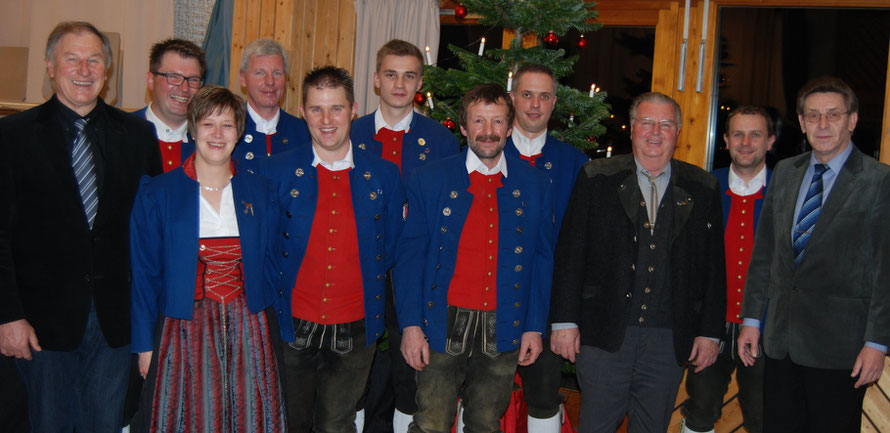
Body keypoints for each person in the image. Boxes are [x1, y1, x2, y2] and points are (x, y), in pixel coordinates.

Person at [0, 21, 162, 432]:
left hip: (114, 321)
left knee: (104, 425)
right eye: (72, 59)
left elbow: (149, 234)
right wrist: (8, 316)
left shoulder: (139, 136)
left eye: (95, 61)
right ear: (51, 67)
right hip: (40, 324)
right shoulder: (12, 136)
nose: (84, 70)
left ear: (107, 72)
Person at [550, 92, 725, 433]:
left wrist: (710, 332)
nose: (655, 132)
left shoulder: (702, 187)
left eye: (665, 124)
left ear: (677, 132)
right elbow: (571, 254)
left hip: (667, 339)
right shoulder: (596, 177)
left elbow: (713, 268)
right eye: (646, 123)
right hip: (603, 334)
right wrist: (563, 321)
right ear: (632, 130)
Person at [395, 83, 554, 433]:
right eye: (478, 121)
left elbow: (542, 261)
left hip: (505, 321)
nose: (488, 132)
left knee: (485, 423)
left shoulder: (533, 185)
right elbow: (410, 258)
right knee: (431, 422)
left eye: (497, 122)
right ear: (463, 127)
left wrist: (533, 326)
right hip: (440, 322)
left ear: (510, 128)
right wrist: (410, 326)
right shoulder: (429, 179)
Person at [128, 85, 285, 432]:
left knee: (248, 416)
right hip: (182, 329)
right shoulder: (158, 192)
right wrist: (143, 345)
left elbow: (273, 264)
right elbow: (143, 274)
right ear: (193, 127)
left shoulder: (260, 190)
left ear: (239, 132)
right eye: (208, 124)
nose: (217, 134)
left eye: (227, 125)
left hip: (249, 328)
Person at [737, 76, 890, 433]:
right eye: (813, 116)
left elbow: (886, 271)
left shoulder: (879, 181)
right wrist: (752, 320)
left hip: (842, 348)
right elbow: (765, 255)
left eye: (833, 115)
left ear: (852, 120)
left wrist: (877, 342)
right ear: (802, 123)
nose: (823, 124)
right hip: (781, 342)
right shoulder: (787, 173)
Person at [261, 66, 405, 433]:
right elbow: (264, 247)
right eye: (316, 109)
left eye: (336, 108)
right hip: (290, 325)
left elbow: (389, 248)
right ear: (303, 111)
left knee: (337, 425)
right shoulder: (274, 173)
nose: (326, 120)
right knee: (290, 422)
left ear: (354, 109)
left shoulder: (384, 176)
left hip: (356, 327)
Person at [349, 38, 459, 433]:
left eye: (409, 75)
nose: (400, 84)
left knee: (409, 373)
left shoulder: (443, 142)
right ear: (376, 79)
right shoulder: (351, 133)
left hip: (416, 274)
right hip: (360, 270)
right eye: (391, 74)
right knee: (355, 373)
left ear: (419, 83)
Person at [680, 106, 774, 433]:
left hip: (766, 324)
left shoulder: (785, 190)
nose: (745, 142)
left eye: (755, 134)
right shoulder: (705, 186)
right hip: (710, 322)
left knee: (764, 415)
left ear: (770, 141)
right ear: (725, 139)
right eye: (737, 134)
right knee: (700, 407)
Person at [507, 63, 588, 433]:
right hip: (488, 303)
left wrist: (566, 318)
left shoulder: (575, 164)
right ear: (512, 99)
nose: (534, 104)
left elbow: (580, 246)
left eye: (543, 96)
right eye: (526, 94)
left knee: (543, 399)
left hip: (548, 307)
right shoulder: (487, 153)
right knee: (477, 394)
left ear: (554, 103)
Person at [235, 38, 311, 173]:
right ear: (242, 78)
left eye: (277, 73)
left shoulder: (303, 133)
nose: (270, 82)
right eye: (260, 73)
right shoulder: (228, 128)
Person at [133, 38, 206, 172]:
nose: (184, 88)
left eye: (193, 80)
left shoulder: (209, 141)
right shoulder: (120, 133)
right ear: (150, 80)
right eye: (173, 77)